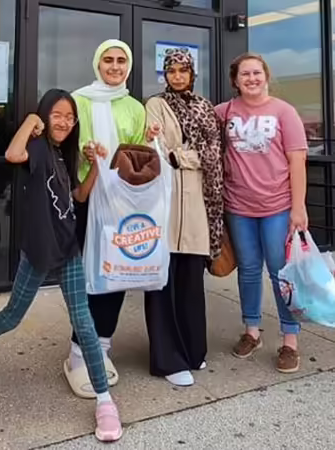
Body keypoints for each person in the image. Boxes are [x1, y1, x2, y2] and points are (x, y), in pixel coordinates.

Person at [0, 89, 123, 442]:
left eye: (69, 117)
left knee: (84, 323)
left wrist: (98, 167)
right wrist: (31, 120)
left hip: (68, 250)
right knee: (12, 315)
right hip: (39, 252)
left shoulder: (61, 154)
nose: (63, 122)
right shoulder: (39, 149)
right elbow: (13, 153)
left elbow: (79, 196)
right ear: (45, 116)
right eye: (56, 115)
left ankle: (105, 401)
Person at [63, 39, 154, 398]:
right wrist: (85, 151)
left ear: (128, 67)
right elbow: (65, 141)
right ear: (96, 64)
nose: (115, 67)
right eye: (108, 60)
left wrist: (149, 145)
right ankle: (76, 352)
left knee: (115, 275)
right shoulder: (78, 100)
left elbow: (137, 154)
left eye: (121, 61)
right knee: (85, 277)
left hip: (122, 202)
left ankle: (101, 347)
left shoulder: (134, 107)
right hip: (86, 199)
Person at [214, 52, 308, 373]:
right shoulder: (224, 112)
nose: (251, 79)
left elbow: (297, 161)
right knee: (249, 270)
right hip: (238, 207)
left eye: (257, 73)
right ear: (235, 81)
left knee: (281, 273)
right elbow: (194, 124)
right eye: (245, 74)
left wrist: (299, 207)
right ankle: (252, 331)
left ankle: (290, 339)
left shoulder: (284, 112)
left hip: (277, 207)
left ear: (266, 76)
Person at [144, 48, 224, 386]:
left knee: (191, 282)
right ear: (165, 75)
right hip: (167, 202)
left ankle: (193, 351)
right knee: (162, 283)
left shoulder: (205, 107)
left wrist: (184, 155)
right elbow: (159, 151)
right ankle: (166, 359)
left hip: (199, 207)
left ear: (192, 74)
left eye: (183, 70)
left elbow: (214, 152)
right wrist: (186, 155)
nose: (177, 76)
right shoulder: (155, 105)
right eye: (171, 71)